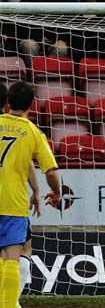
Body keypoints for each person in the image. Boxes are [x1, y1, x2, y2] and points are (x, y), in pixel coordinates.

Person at [0, 81, 61, 308]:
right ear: (32, 105)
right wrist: (54, 193)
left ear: (7, 102)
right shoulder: (33, 132)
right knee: (11, 256)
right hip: (12, 202)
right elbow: (52, 171)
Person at [0, 83, 42, 308]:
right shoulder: (23, 129)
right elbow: (26, 162)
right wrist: (36, 190)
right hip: (11, 200)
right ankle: (10, 302)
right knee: (20, 249)